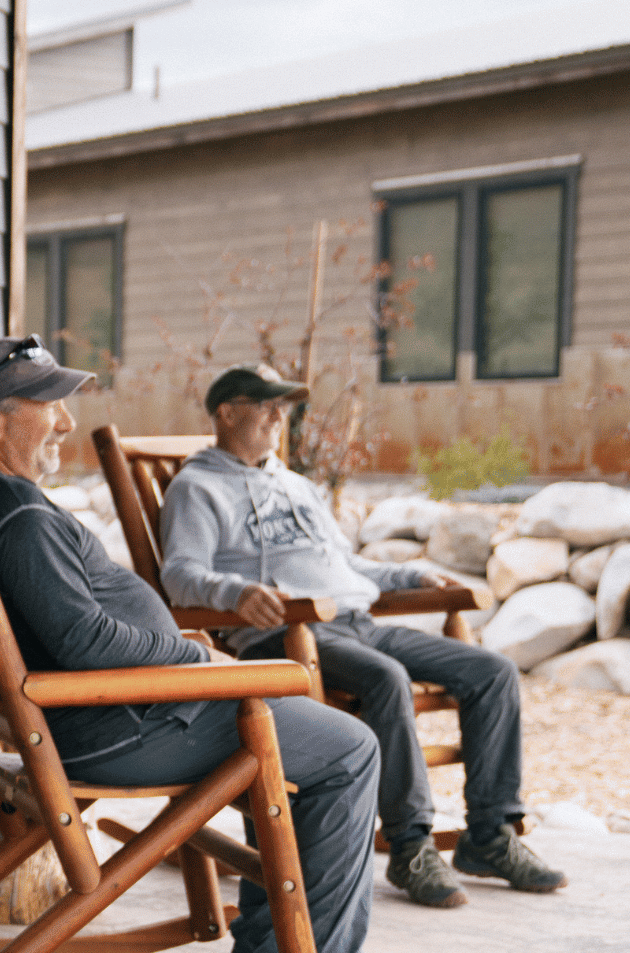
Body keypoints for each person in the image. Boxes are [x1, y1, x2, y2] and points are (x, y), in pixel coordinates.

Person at [0, 336, 445, 953]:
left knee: (299, 738)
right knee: (350, 749)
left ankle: (267, 949)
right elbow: (85, 641)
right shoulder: (22, 518)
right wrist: (195, 661)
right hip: (123, 724)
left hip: (104, 717)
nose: (65, 423)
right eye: (47, 406)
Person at [157, 364, 564, 909]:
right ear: (227, 412)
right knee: (385, 680)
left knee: (491, 672)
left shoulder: (295, 485)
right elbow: (180, 573)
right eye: (266, 403)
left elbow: (345, 565)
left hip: (357, 625)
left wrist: (413, 575)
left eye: (284, 405)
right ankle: (411, 843)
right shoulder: (197, 487)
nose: (280, 415)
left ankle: (489, 835)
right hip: (287, 635)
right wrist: (233, 592)